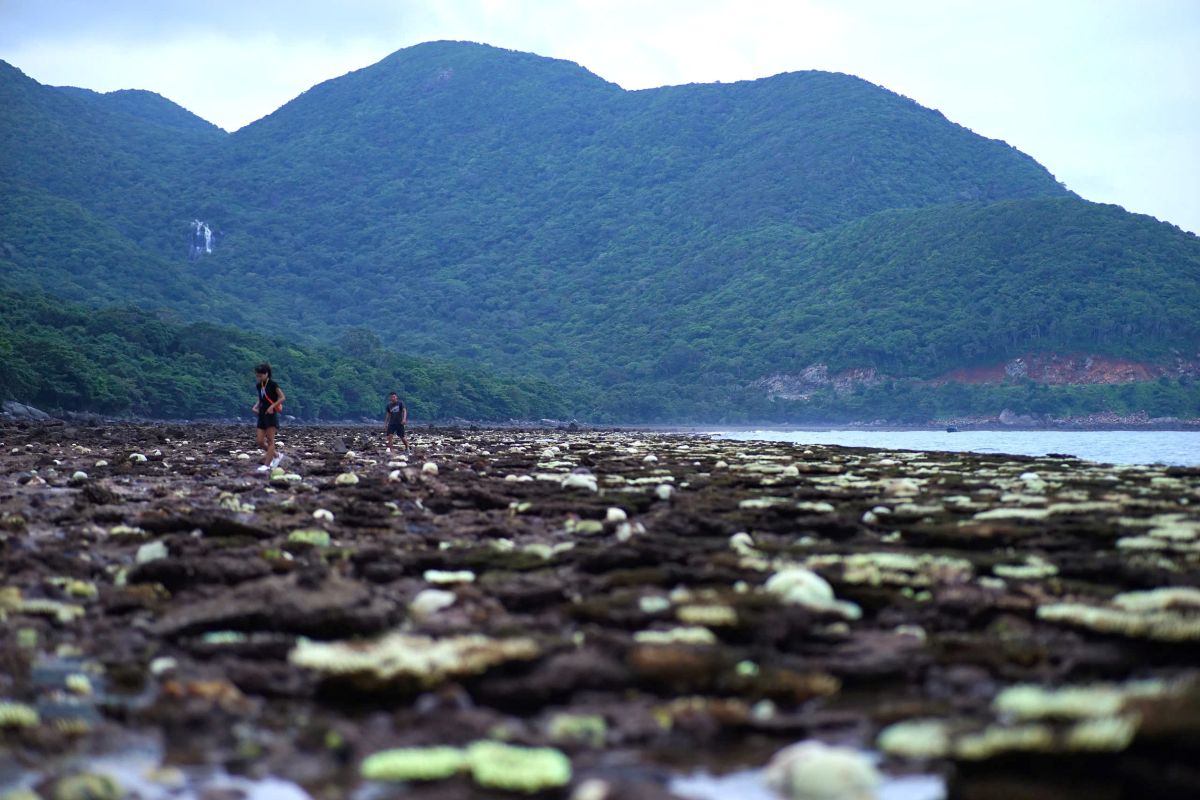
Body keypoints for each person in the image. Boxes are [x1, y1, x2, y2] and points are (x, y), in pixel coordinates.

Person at [251, 363, 286, 471]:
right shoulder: (259, 385)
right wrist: (255, 407)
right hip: (262, 414)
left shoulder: (273, 384)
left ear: (266, 374)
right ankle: (277, 455)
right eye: (257, 375)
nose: (258, 377)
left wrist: (272, 407)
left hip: (271, 414)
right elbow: (261, 398)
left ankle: (266, 465)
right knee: (260, 441)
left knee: (270, 440)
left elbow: (282, 397)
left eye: (260, 375)